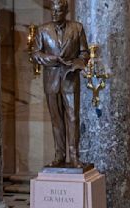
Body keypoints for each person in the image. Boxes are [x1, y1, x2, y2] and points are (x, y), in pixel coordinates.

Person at [32, 0, 89, 167]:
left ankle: (74, 156)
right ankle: (59, 155)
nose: (54, 14)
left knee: (73, 118)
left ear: (65, 12)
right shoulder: (42, 30)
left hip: (70, 79)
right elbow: (35, 54)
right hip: (51, 81)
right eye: (52, 11)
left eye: (58, 11)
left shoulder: (77, 28)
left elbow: (84, 53)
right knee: (56, 119)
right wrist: (52, 59)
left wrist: (77, 64)